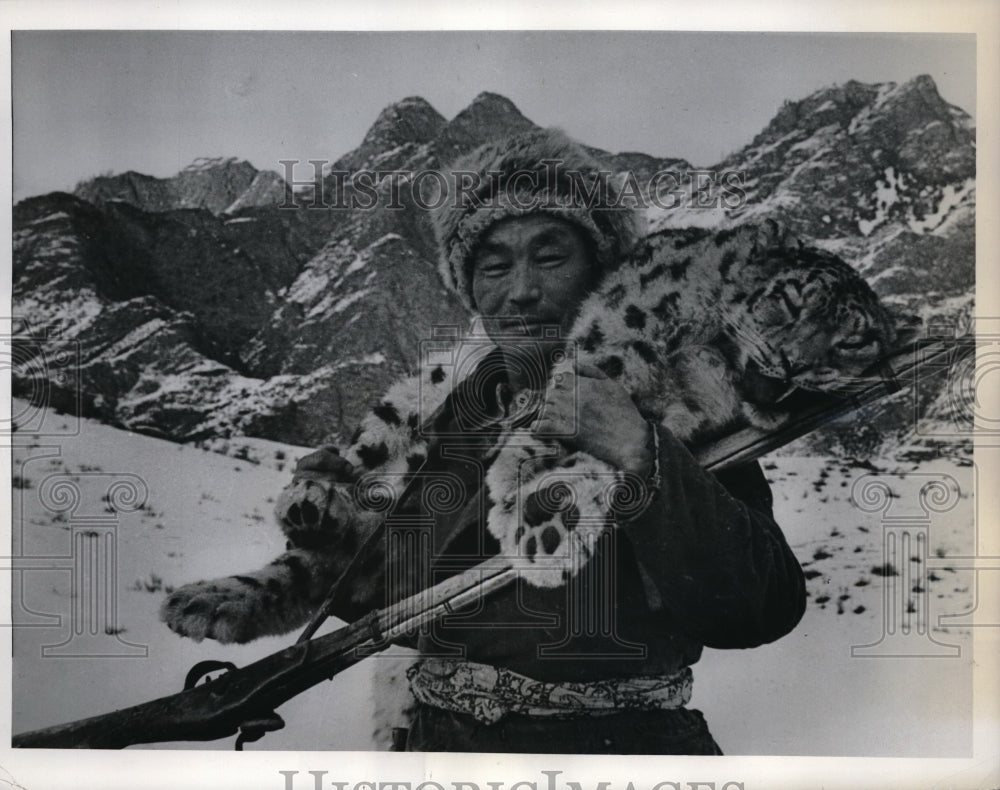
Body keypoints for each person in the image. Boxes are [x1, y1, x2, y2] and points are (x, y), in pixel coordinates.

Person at [293, 129, 806, 754]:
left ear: (602, 273)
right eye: (494, 266)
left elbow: (760, 608)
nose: (521, 291)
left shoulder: (676, 392)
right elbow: (403, 606)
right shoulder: (455, 414)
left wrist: (641, 453)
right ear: (469, 287)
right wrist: (334, 531)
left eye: (550, 257)